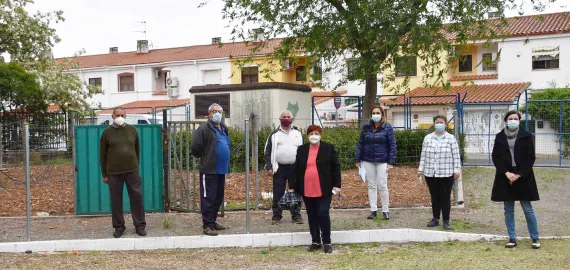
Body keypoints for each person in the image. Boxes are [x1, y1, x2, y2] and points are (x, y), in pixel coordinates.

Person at [491, 111, 540, 249]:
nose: (513, 121)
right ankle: (512, 238)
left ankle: (535, 238)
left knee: (527, 208)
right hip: (505, 176)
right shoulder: (499, 137)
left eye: (515, 119)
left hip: (523, 176)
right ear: (506, 120)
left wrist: (519, 175)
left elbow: (531, 157)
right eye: (510, 118)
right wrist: (507, 173)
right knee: (508, 209)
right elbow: (496, 157)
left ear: (519, 120)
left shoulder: (527, 136)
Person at [290, 125, 341, 254]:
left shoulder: (329, 148)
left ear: (320, 134)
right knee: (312, 215)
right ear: (307, 135)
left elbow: (336, 168)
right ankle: (316, 241)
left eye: (316, 133)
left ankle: (327, 241)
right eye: (311, 133)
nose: (314, 136)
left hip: (324, 188)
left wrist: (337, 185)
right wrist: (292, 187)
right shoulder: (301, 150)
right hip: (306, 188)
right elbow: (295, 169)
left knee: (323, 213)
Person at [100, 107, 146, 238]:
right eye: (117, 115)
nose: (120, 117)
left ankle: (140, 226)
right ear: (112, 116)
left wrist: (135, 166)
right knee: (116, 201)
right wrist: (105, 174)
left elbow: (137, 150)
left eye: (122, 115)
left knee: (137, 198)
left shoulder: (132, 130)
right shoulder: (106, 133)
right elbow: (102, 155)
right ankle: (119, 227)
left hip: (132, 171)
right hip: (114, 173)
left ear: (125, 116)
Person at [190, 103, 230, 236]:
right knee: (208, 197)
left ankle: (212, 221)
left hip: (221, 169)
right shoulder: (204, 129)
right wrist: (206, 156)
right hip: (209, 169)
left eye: (219, 111)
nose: (217, 113)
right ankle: (207, 225)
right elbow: (195, 148)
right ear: (209, 114)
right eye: (214, 111)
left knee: (218, 197)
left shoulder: (223, 128)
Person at [418, 115, 461, 230]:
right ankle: (435, 218)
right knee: (434, 196)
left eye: (441, 122)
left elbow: (456, 156)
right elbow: (423, 154)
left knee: (445, 197)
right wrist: (420, 169)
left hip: (446, 173)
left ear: (446, 124)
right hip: (430, 173)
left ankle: (446, 220)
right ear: (434, 124)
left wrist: (457, 170)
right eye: (437, 122)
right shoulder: (428, 138)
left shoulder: (451, 138)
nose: (439, 124)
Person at [355, 105, 397, 220]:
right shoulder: (366, 127)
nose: (376, 115)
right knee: (371, 185)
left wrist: (391, 162)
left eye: (378, 113)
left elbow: (392, 145)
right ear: (370, 115)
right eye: (374, 113)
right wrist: (357, 159)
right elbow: (360, 143)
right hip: (368, 159)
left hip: (382, 161)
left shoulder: (387, 127)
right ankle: (373, 210)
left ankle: (385, 210)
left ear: (382, 114)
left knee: (383, 185)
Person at [264, 110, 304, 225]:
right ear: (280, 119)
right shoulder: (274, 134)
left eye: (288, 117)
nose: (286, 118)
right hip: (279, 168)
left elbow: (303, 151)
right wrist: (269, 167)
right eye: (284, 117)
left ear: (292, 119)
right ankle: (277, 216)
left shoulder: (298, 134)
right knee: (278, 193)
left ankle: (296, 216)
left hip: (295, 168)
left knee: (295, 192)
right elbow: (267, 151)